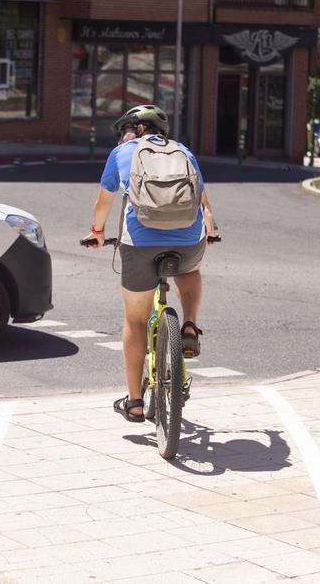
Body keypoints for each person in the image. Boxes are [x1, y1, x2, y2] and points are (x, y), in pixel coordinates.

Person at [83, 105, 216, 423]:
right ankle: (189, 324)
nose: (121, 137)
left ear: (140, 128)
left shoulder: (122, 154)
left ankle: (135, 402)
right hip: (188, 240)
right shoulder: (183, 151)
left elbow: (104, 202)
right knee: (192, 268)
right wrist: (210, 231)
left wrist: (97, 233)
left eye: (126, 129)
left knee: (135, 321)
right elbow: (202, 198)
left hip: (140, 244)